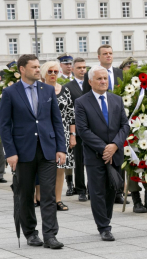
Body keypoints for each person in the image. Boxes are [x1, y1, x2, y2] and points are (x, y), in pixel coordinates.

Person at [0, 54, 66, 249]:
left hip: (47, 149)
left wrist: (61, 147)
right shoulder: (10, 93)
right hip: (23, 151)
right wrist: (10, 152)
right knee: (25, 193)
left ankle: (50, 235)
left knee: (48, 194)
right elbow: (4, 125)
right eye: (35, 67)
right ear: (22, 69)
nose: (39, 70)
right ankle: (30, 232)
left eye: (39, 66)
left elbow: (56, 121)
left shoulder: (47, 90)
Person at [75, 66, 129, 241]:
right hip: (94, 154)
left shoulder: (117, 100)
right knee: (97, 191)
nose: (103, 81)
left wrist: (114, 145)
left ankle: (107, 220)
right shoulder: (82, 102)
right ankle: (104, 227)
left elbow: (124, 126)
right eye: (99, 79)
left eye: (105, 78)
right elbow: (83, 130)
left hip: (115, 153)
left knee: (112, 188)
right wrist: (104, 148)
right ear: (90, 82)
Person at [83, 45, 127, 205]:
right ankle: (93, 191)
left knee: (116, 167)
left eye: (110, 53)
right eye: (105, 53)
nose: (108, 56)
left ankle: (117, 191)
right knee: (98, 179)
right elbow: (86, 101)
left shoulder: (120, 73)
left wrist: (115, 143)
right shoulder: (93, 74)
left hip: (117, 124)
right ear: (99, 56)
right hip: (97, 128)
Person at [41, 61, 76, 212]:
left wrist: (72, 135)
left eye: (56, 71)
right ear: (44, 73)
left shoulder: (65, 90)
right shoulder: (39, 90)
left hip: (63, 134)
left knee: (61, 167)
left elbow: (71, 115)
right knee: (46, 168)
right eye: (50, 71)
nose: (53, 74)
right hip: (44, 134)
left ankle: (58, 200)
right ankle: (44, 198)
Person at [64, 57, 88, 202]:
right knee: (78, 161)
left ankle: (92, 188)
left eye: (84, 67)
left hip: (92, 129)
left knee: (92, 161)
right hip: (77, 129)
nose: (82, 70)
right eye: (79, 67)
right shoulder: (68, 86)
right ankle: (81, 189)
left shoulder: (91, 83)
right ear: (73, 69)